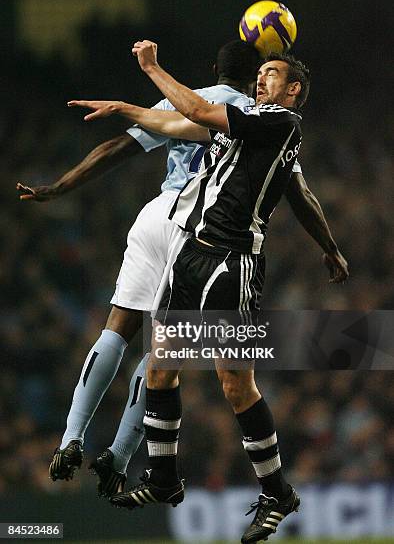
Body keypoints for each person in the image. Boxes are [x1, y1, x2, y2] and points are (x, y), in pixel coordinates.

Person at [17, 41, 348, 507]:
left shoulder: (203, 99)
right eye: (264, 73)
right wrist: (331, 247)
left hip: (151, 215)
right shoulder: (250, 113)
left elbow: (129, 141)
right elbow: (297, 191)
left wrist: (62, 183)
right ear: (256, 76)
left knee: (118, 329)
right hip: (195, 226)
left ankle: (72, 436)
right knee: (169, 350)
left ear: (214, 68)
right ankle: (121, 452)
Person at [106, 40, 334, 544]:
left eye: (272, 74)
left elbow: (193, 108)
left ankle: (278, 492)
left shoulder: (279, 125)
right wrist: (128, 111)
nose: (262, 80)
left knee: (234, 384)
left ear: (293, 91)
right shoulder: (241, 119)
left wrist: (151, 68)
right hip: (192, 255)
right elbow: (176, 124)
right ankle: (163, 478)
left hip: (233, 261)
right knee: (160, 368)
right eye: (261, 73)